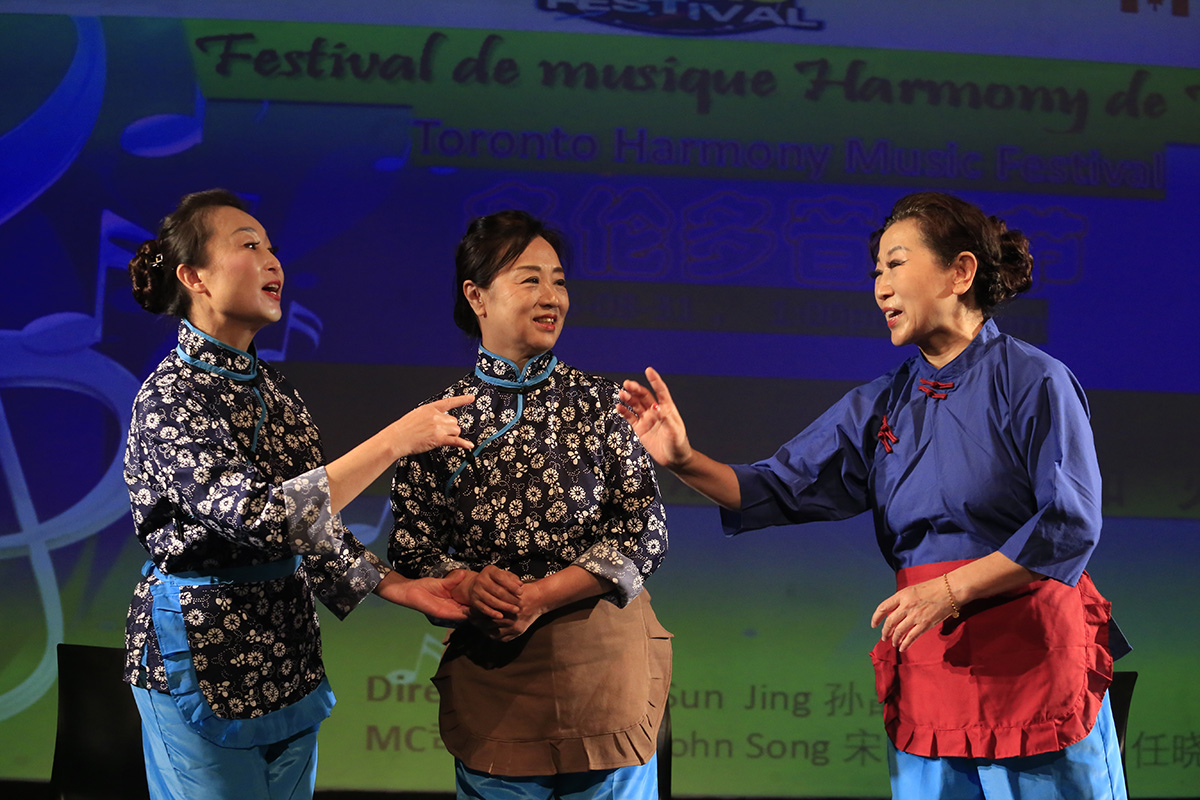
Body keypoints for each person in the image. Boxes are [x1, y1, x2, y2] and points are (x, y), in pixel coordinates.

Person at [618, 192, 1128, 799]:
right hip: (934, 658)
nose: (881, 287)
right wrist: (683, 459)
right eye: (876, 271)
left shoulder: (1034, 379)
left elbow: (1069, 522)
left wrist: (951, 589)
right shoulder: (882, 402)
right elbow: (775, 486)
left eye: (896, 264)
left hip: (1030, 652)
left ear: (961, 272)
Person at [123, 188, 475, 800]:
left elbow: (312, 526)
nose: (273, 262)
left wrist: (398, 586)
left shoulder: (276, 392)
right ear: (194, 277)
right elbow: (264, 518)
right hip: (203, 648)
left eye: (273, 248)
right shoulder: (170, 397)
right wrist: (393, 441)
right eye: (248, 246)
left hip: (285, 646)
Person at [388, 209, 671, 800]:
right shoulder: (437, 420)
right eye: (530, 279)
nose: (552, 297)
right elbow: (411, 546)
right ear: (477, 296)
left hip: (604, 669)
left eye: (559, 281)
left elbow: (645, 532)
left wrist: (540, 596)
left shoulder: (600, 405)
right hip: (495, 674)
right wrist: (466, 583)